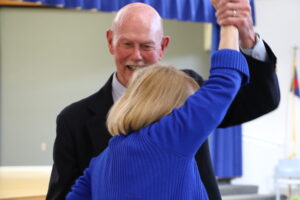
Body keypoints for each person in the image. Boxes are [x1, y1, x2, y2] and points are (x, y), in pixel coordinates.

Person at [46, 1, 280, 200]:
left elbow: (261, 100)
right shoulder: (73, 121)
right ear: (110, 41)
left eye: (146, 45)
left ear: (162, 46)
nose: (136, 56)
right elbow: (225, 81)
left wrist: (247, 37)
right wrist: (228, 26)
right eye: (127, 44)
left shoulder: (186, 88)